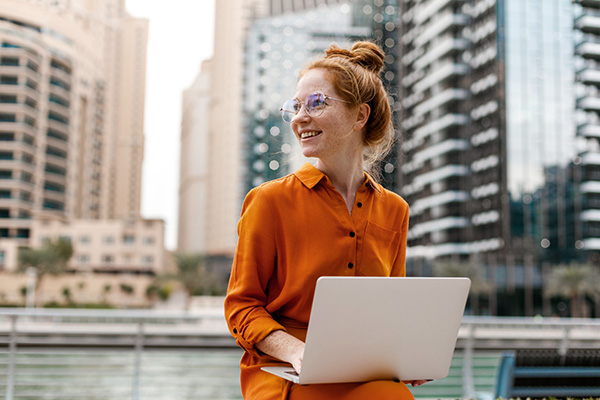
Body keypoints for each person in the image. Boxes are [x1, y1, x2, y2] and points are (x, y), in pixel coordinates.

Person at [224, 41, 426, 400]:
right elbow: (242, 307)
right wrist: (298, 352)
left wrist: (406, 353)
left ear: (359, 116)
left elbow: (390, 309)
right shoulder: (268, 201)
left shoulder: (395, 210)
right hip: (284, 371)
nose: (300, 117)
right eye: (295, 106)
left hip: (364, 370)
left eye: (316, 103)